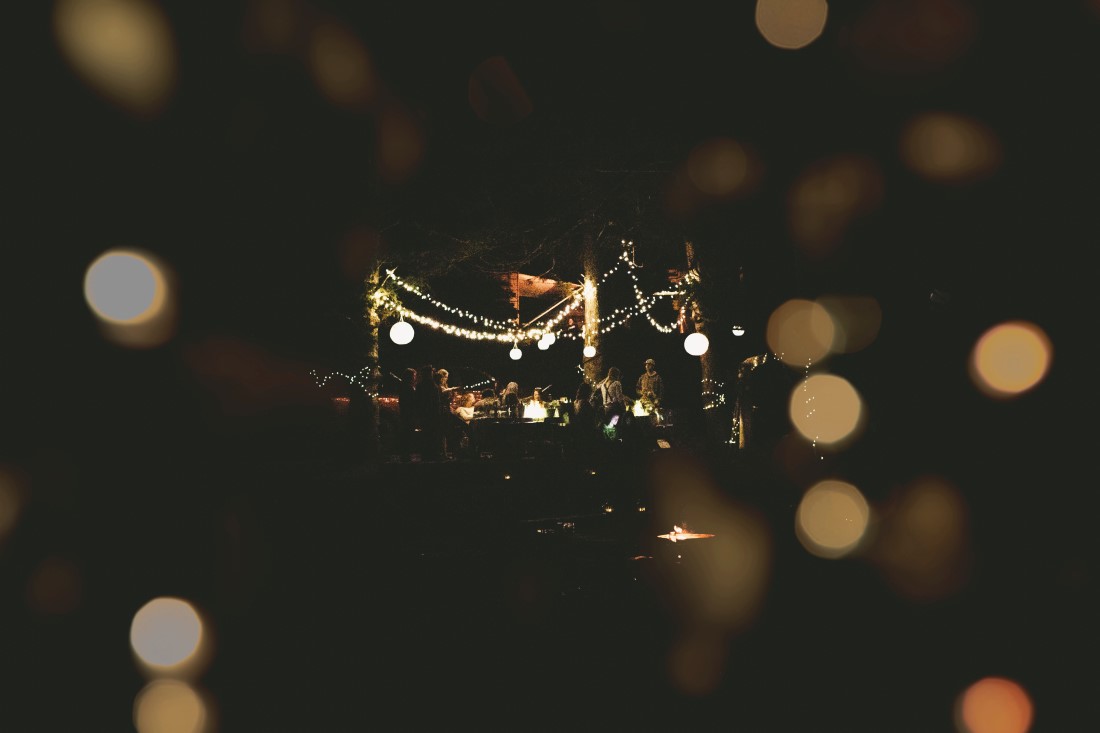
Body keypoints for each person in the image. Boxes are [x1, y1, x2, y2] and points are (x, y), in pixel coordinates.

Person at [397, 367, 419, 462]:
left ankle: (405, 454)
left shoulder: (405, 386)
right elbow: (412, 400)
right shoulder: (408, 387)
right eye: (414, 376)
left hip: (406, 413)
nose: (415, 378)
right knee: (408, 433)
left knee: (407, 433)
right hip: (408, 413)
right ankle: (406, 455)